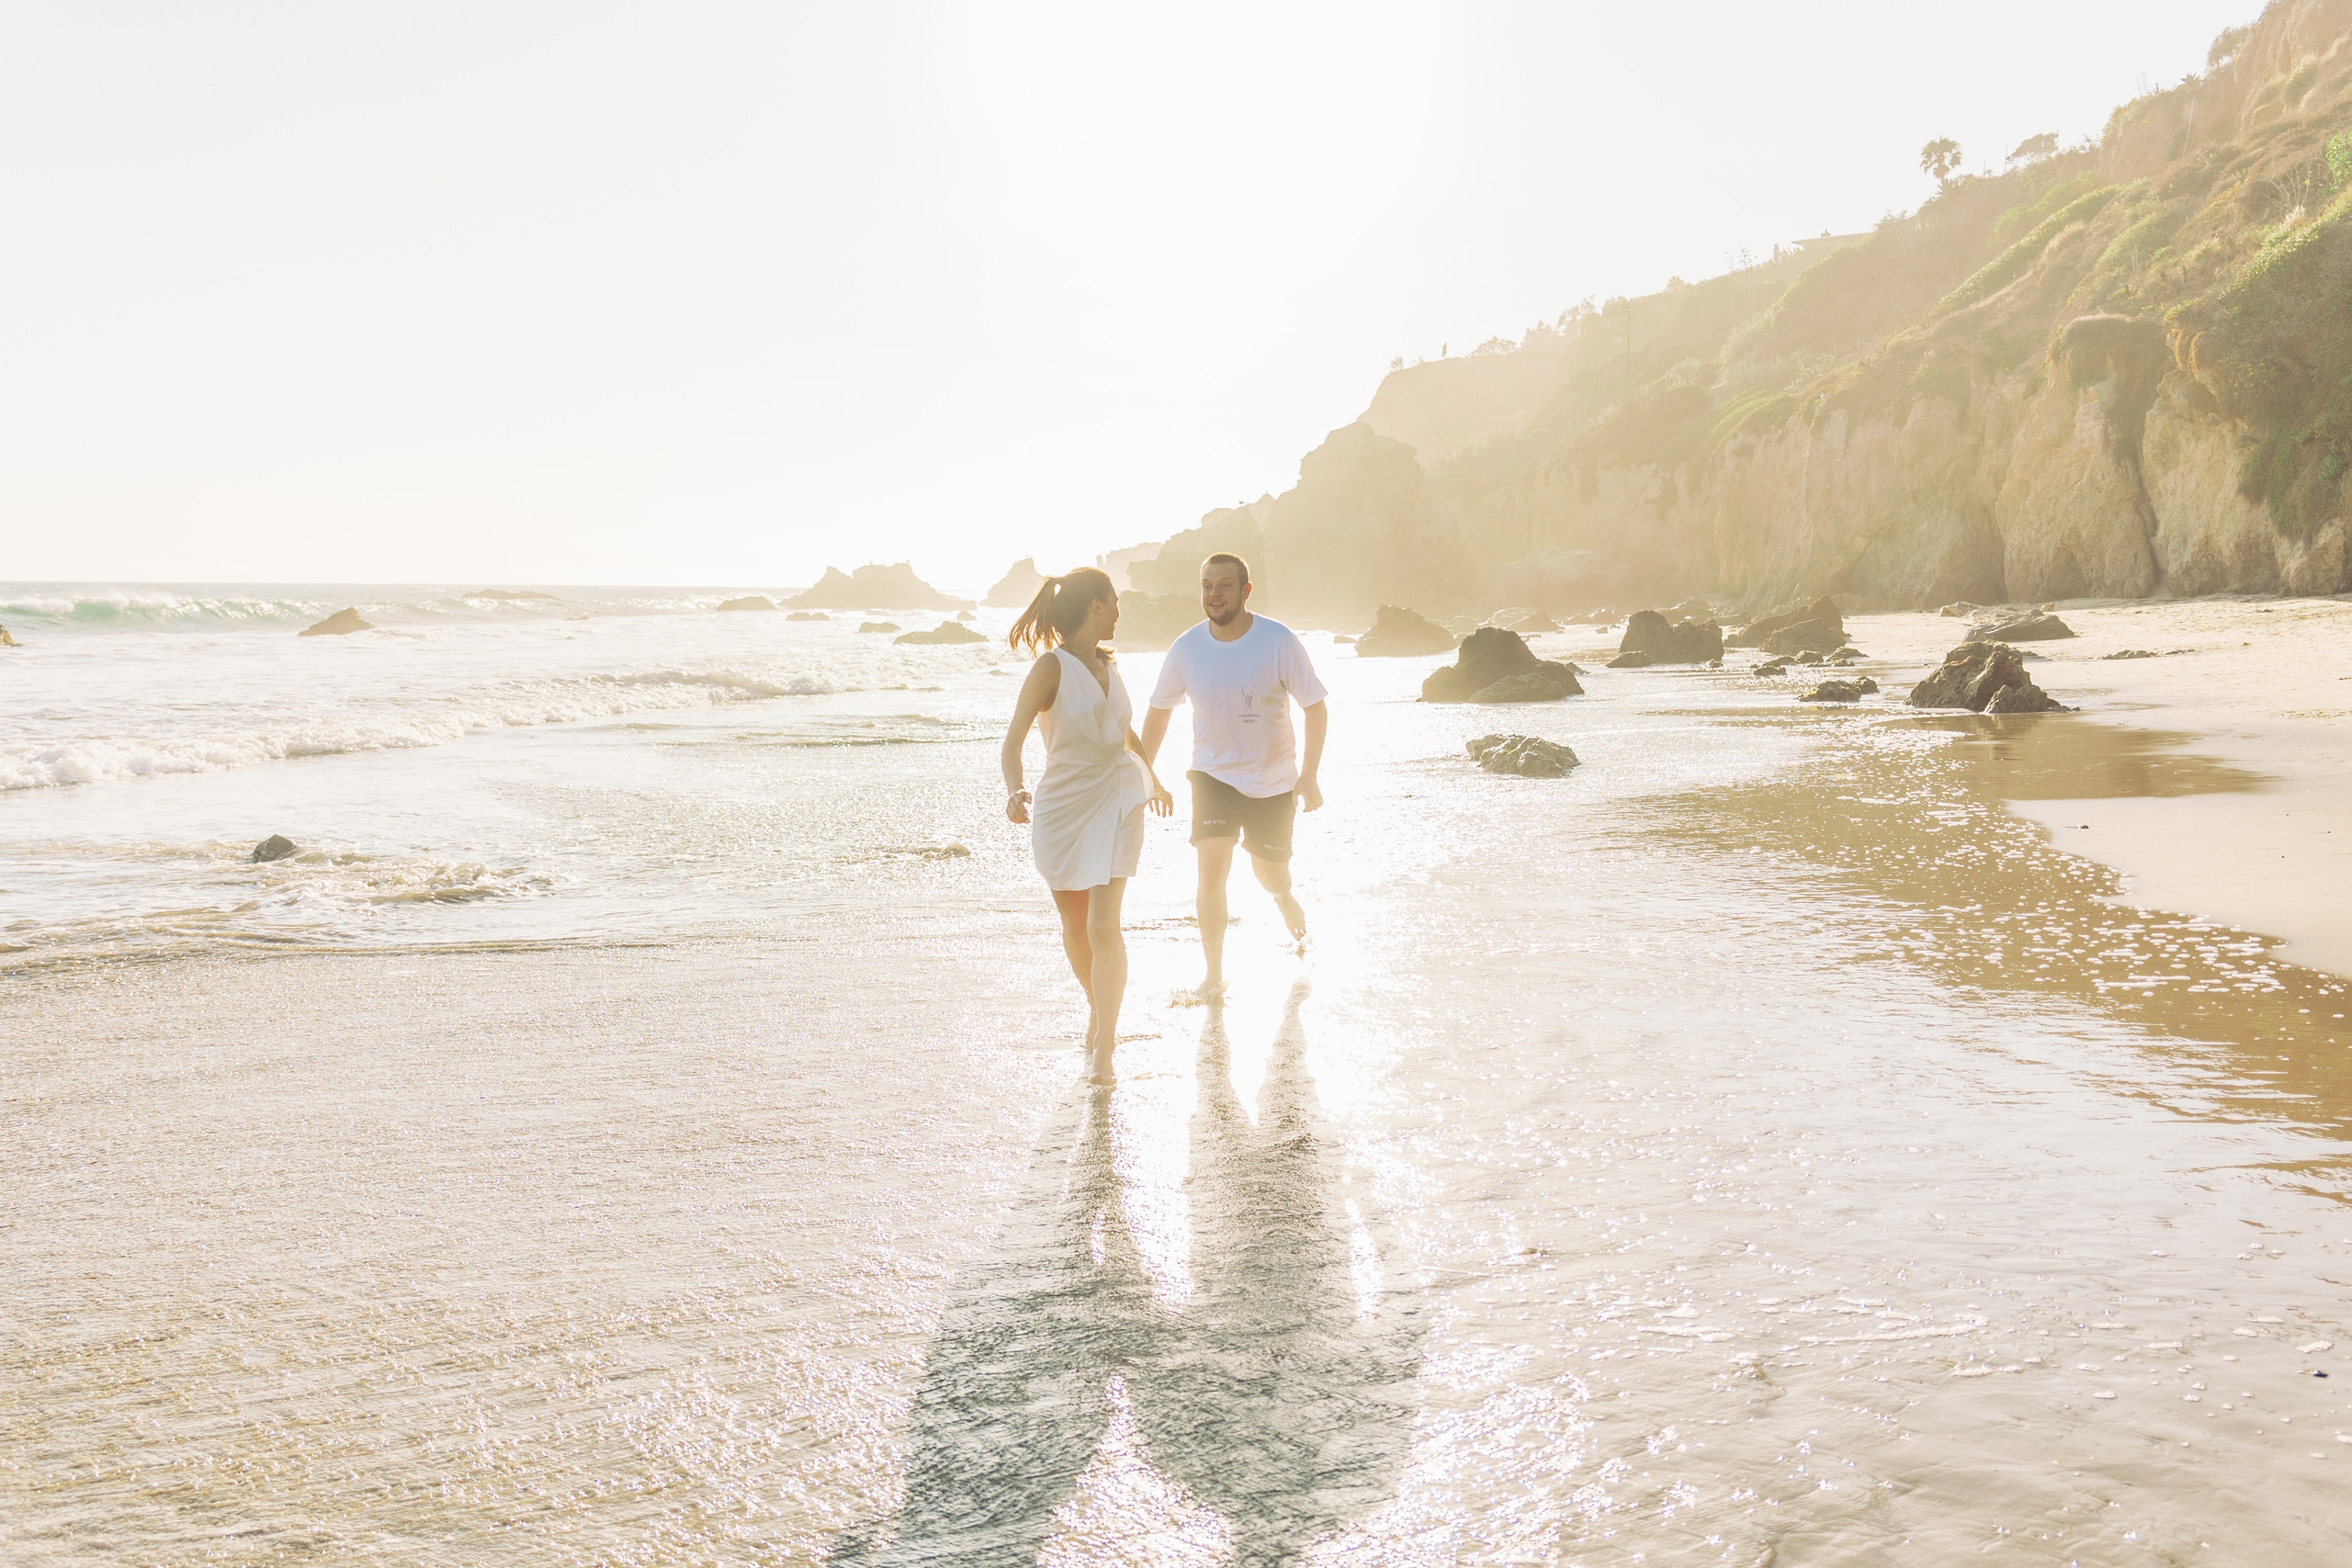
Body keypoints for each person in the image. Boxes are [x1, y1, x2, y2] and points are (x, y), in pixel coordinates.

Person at [1001, 568, 1173, 1084]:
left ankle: (1106, 1047)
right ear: (1096, 606)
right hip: (1063, 809)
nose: (1120, 611)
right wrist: (1015, 789)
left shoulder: (1108, 663)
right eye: (1114, 601)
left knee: (1103, 926)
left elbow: (1123, 732)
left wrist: (1154, 779)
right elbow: (1012, 742)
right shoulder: (1051, 669)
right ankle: (1099, 1006)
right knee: (1076, 929)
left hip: (1119, 799)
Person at [1139, 553, 1328, 998]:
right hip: (1212, 776)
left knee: (1271, 875)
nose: (1214, 594)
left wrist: (1310, 774)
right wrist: (1143, 774)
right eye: (1206, 585)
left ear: (1245, 591)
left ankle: (1283, 899)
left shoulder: (1277, 641)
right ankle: (1213, 974)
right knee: (1212, 867)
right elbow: (1159, 711)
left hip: (1273, 781)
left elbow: (1314, 707)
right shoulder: (1186, 648)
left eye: (1224, 585)